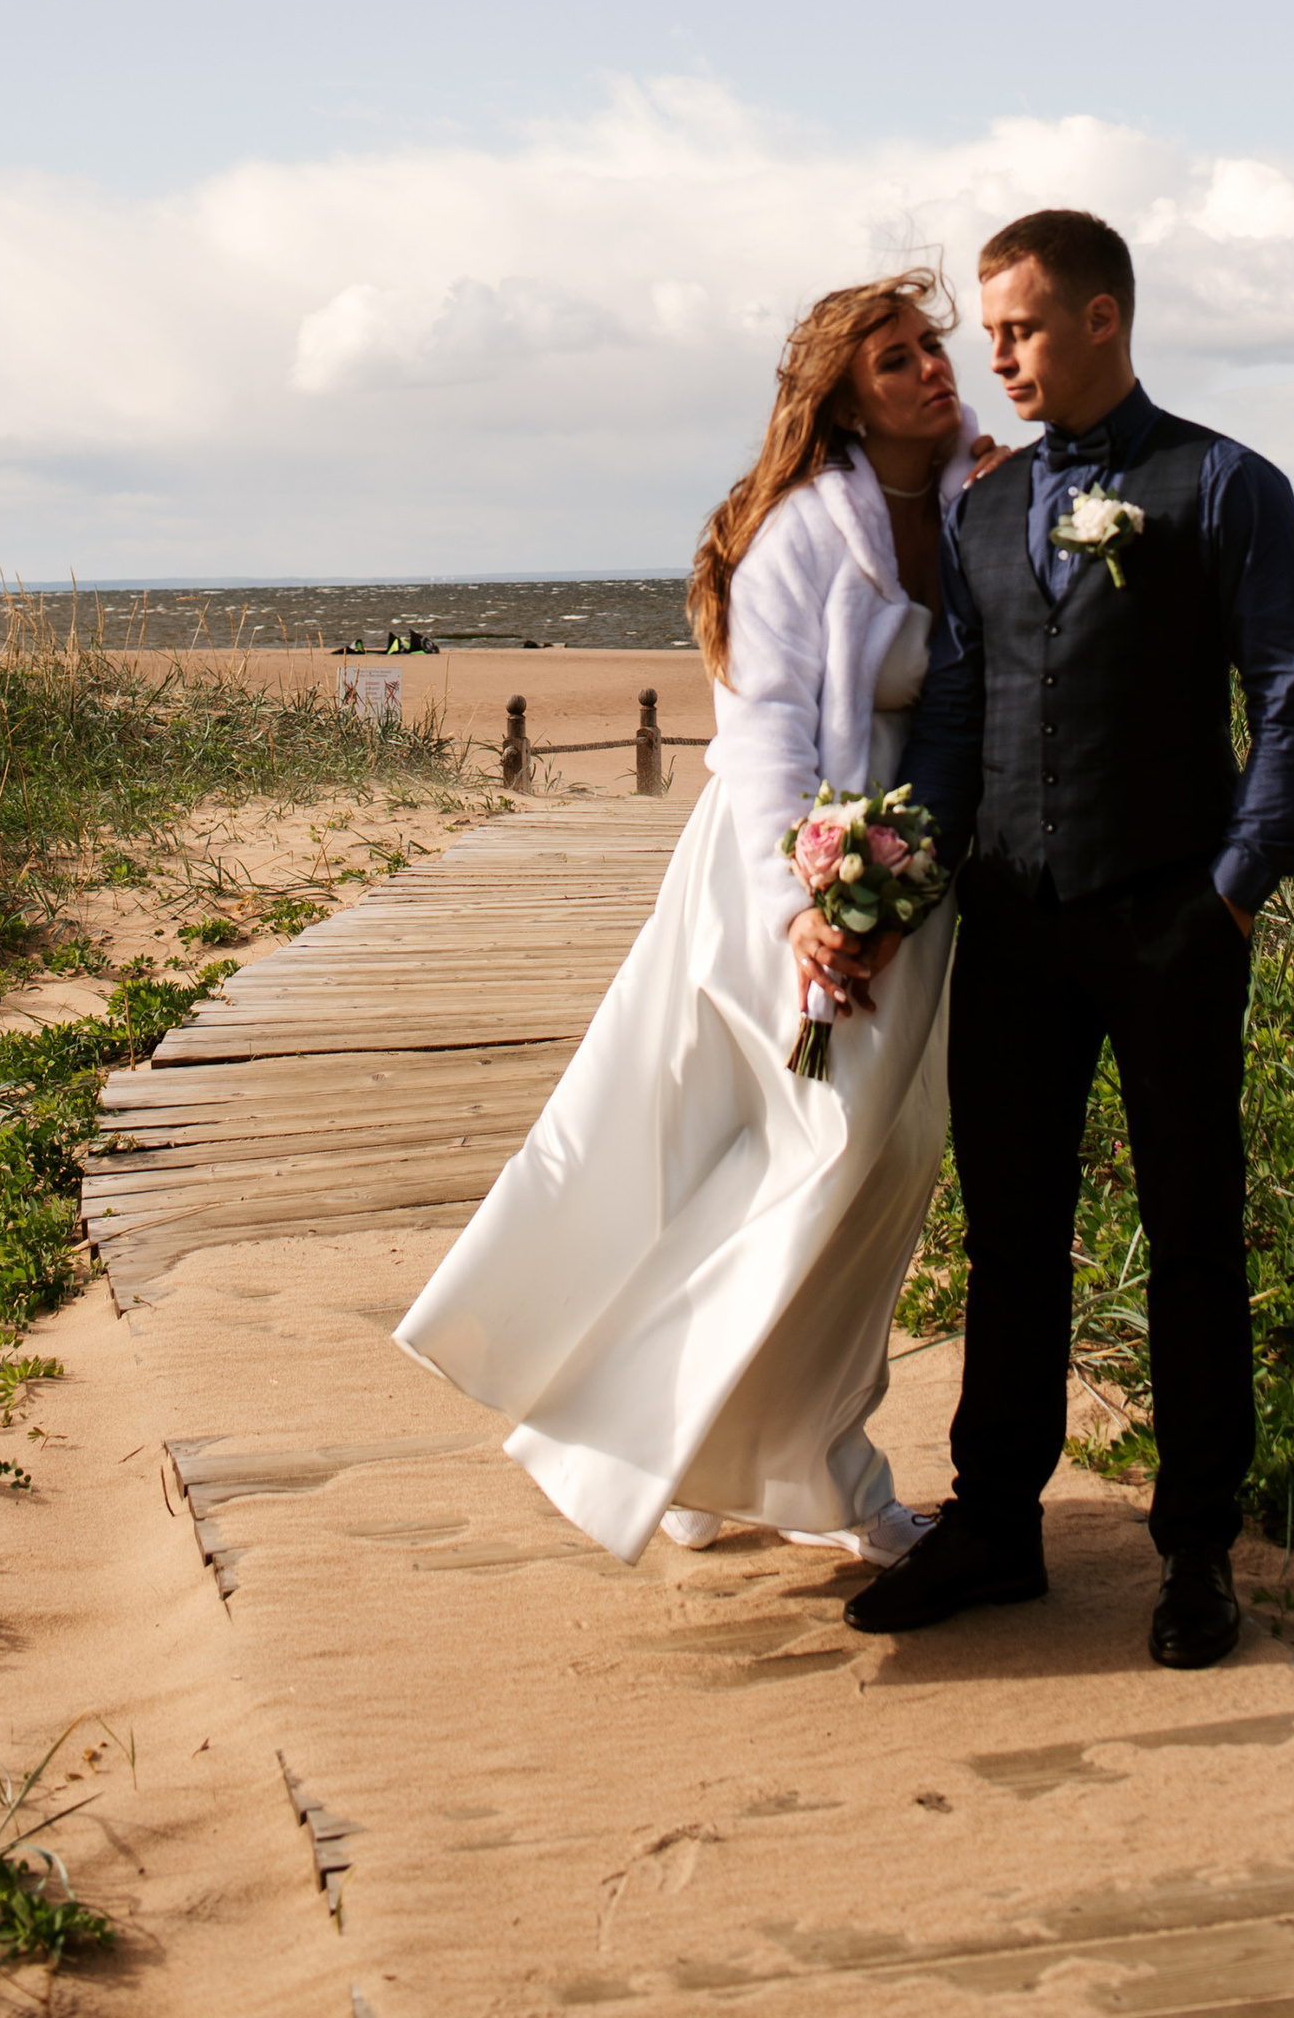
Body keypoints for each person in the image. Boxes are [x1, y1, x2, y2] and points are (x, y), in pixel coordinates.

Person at [395, 270, 995, 1567]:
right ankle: (809, 1471)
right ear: (842, 395)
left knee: (871, 1175)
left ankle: (698, 1440)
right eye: (895, 360)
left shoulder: (964, 509)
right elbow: (768, 732)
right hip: (779, 879)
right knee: (820, 1157)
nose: (930, 372)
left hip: (912, 878)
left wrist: (905, 881)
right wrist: (806, 907)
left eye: (931, 350)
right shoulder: (796, 534)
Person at [850, 206, 1294, 1669]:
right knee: (1011, 1237)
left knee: (1191, 1235)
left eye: (1017, 328)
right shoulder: (984, 513)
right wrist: (890, 882)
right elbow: (953, 720)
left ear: (1103, 320)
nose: (991, 356)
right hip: (1011, 926)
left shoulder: (1225, 485)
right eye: (987, 333)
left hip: (1171, 922)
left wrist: (1233, 893)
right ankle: (996, 1524)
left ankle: (1197, 1549)